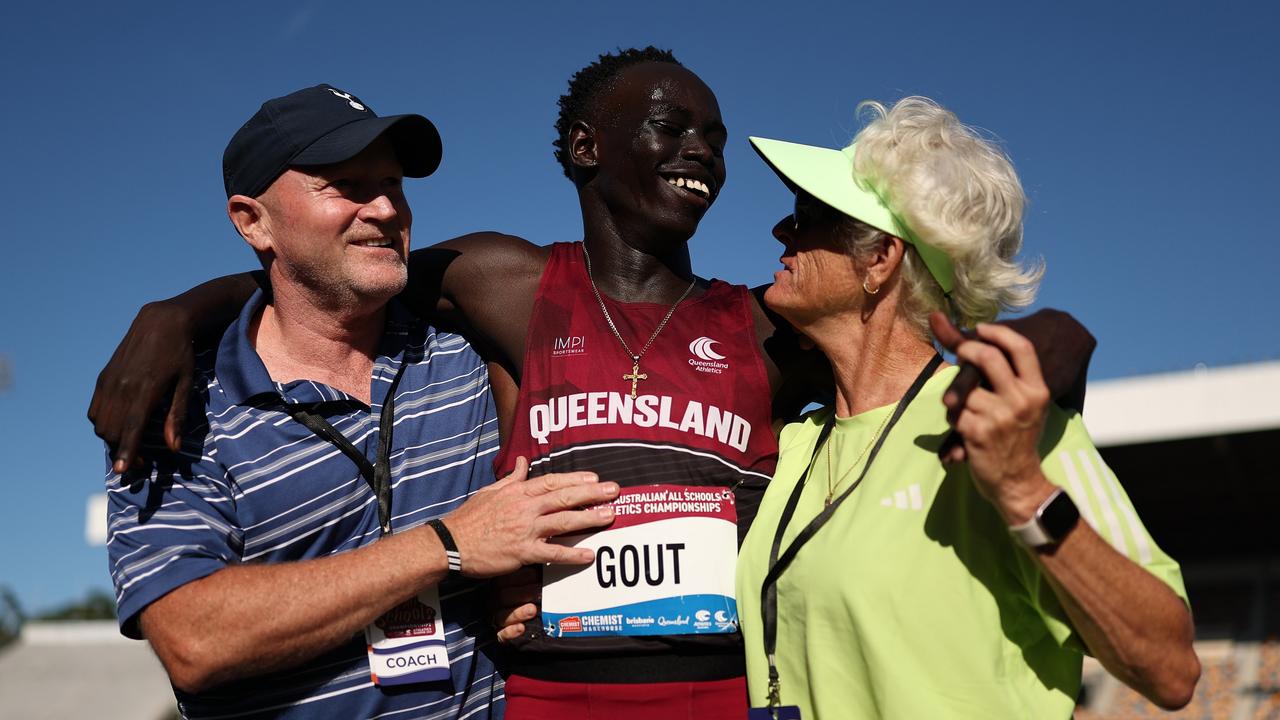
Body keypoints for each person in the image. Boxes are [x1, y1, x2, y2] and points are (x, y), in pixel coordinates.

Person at [90, 51, 1094, 719]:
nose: (698, 148)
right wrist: (180, 313)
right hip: (542, 699)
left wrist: (1055, 333)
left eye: (712, 134)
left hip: (716, 694)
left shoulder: (760, 325)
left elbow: (914, 341)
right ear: (584, 148)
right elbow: (330, 279)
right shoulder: (499, 283)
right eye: (667, 125)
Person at [103, 84, 619, 720]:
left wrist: (537, 589)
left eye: (395, 185)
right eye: (345, 185)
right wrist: (447, 545)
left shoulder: (469, 351)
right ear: (252, 221)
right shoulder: (181, 406)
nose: (384, 208)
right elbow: (194, 638)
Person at [736, 97, 1199, 719]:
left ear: (880, 258)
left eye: (807, 216)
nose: (780, 232)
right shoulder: (794, 441)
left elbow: (1170, 670)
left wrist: (1019, 487)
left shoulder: (1008, 423)